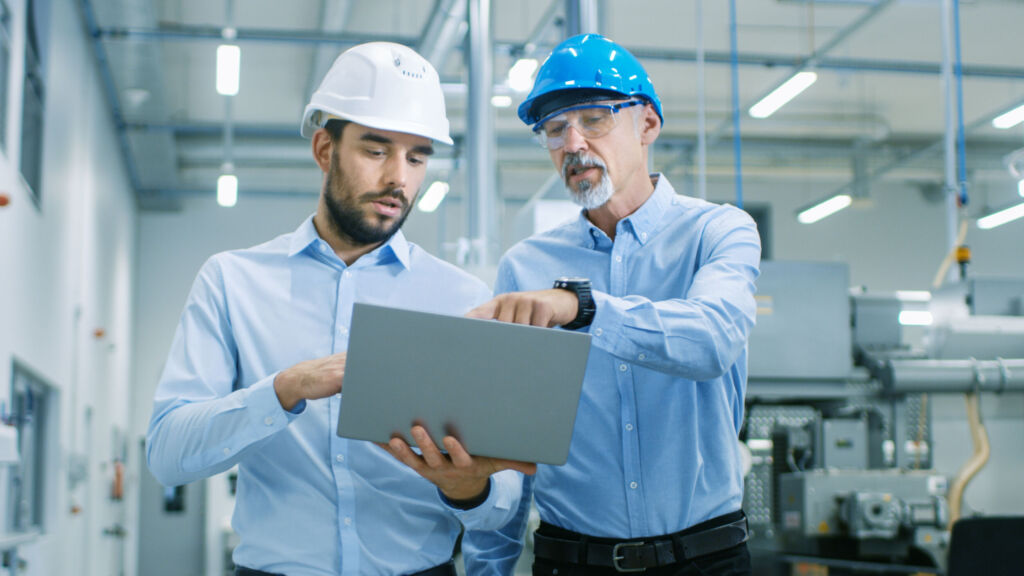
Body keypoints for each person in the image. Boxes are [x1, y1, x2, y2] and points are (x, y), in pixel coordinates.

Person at [146, 42, 531, 576]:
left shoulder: (461, 299)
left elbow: (504, 503)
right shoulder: (233, 282)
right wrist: (286, 389)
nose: (399, 177)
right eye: (377, 151)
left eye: (417, 157)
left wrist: (469, 488)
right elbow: (167, 452)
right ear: (325, 149)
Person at [463, 34, 761, 575]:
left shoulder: (718, 232)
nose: (573, 143)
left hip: (705, 559)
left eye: (595, 119)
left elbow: (711, 339)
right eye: (555, 128)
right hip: (572, 560)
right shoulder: (524, 266)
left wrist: (581, 307)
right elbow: (510, 453)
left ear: (647, 125)